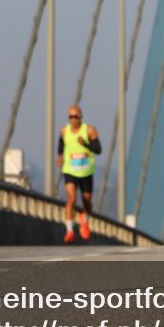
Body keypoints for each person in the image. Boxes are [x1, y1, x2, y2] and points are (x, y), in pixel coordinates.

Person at [57, 104, 101, 244]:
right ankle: (69, 231)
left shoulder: (89, 130)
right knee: (71, 197)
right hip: (70, 170)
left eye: (76, 116)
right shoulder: (64, 131)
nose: (73, 119)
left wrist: (85, 144)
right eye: (71, 117)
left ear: (81, 117)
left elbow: (98, 149)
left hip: (86, 171)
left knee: (87, 201)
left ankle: (84, 219)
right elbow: (61, 143)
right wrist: (59, 156)